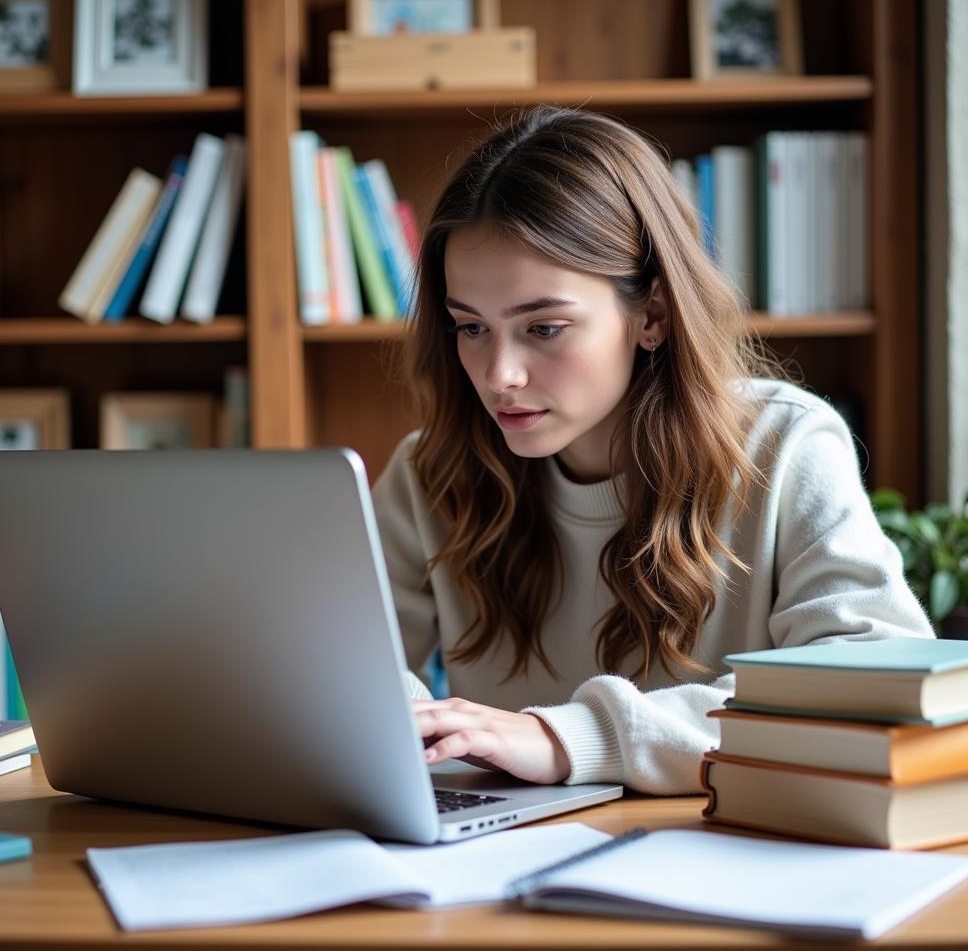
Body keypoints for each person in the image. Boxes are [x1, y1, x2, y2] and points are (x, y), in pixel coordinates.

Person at [370, 105, 932, 795]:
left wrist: (570, 738)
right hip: (492, 864)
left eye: (543, 328)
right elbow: (341, 672)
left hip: (720, 853)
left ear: (652, 315)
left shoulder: (785, 445)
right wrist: (391, 714)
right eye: (471, 328)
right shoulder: (430, 472)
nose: (498, 376)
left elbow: (876, 676)